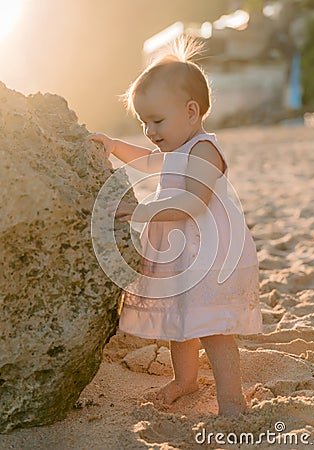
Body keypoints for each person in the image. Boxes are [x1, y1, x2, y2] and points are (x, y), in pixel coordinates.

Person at [86, 37, 262, 416]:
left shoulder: (203, 150)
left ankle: (232, 401)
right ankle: (185, 380)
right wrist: (116, 145)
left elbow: (191, 203)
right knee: (179, 323)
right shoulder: (173, 147)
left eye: (157, 121)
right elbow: (150, 161)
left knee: (213, 330)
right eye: (143, 123)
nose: (149, 131)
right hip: (181, 255)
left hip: (207, 256)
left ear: (192, 111)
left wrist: (141, 211)